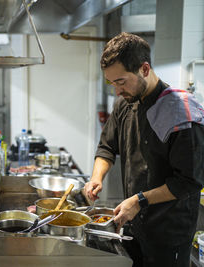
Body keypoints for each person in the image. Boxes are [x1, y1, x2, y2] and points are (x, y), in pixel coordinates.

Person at [84, 32, 204, 267]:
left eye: (121, 81)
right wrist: (96, 178)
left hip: (168, 234)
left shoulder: (181, 113)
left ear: (145, 69)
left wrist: (139, 200)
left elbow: (189, 181)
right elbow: (107, 147)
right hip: (132, 224)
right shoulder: (125, 103)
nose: (117, 91)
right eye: (112, 83)